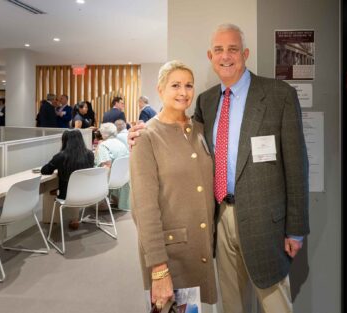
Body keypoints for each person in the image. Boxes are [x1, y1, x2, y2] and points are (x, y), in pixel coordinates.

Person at [129, 24, 309, 313]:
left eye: (233, 49)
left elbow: (297, 165)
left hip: (266, 223)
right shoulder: (207, 101)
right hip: (219, 219)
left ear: (245, 54)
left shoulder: (279, 95)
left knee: (277, 305)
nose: (226, 56)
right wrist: (138, 133)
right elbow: (180, 140)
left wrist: (296, 229)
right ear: (210, 56)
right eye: (219, 50)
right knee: (231, 303)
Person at [129, 61, 217, 309]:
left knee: (192, 309)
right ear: (160, 89)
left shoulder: (200, 130)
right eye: (175, 85)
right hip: (169, 256)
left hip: (198, 249)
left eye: (189, 85)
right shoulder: (146, 136)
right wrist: (158, 268)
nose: (183, 92)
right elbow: (144, 209)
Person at [41, 129, 94, 229]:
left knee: (51, 190)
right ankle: (74, 219)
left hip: (66, 195)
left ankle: (53, 220)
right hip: (86, 192)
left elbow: (45, 170)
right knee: (72, 186)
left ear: (65, 141)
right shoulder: (90, 154)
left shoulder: (61, 156)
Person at [95, 122, 129, 210]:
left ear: (103, 134)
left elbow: (106, 165)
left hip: (110, 180)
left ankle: (101, 203)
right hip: (123, 178)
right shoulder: (121, 144)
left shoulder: (103, 145)